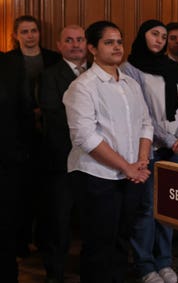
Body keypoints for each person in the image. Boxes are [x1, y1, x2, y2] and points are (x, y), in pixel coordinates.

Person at [63, 20, 152, 283]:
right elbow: (85, 137)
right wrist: (127, 167)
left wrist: (142, 162)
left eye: (119, 42)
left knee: (122, 241)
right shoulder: (83, 86)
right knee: (99, 245)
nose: (117, 47)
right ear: (92, 48)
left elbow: (145, 124)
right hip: (96, 176)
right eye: (108, 42)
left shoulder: (130, 84)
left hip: (132, 175)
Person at [121, 20, 178, 283]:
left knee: (169, 206)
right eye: (155, 34)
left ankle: (164, 261)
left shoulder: (171, 67)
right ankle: (145, 265)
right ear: (143, 36)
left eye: (164, 37)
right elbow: (142, 112)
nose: (160, 40)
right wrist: (169, 138)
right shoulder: (129, 68)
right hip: (149, 147)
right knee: (147, 207)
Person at [6, 15, 61, 257]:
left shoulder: (52, 58)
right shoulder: (7, 60)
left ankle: (43, 240)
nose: (30, 35)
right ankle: (22, 240)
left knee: (47, 192)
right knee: (21, 191)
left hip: (51, 132)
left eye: (34, 30)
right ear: (16, 35)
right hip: (20, 134)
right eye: (25, 31)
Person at [39, 24, 89, 283]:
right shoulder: (50, 76)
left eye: (80, 39)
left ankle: (89, 270)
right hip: (63, 159)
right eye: (69, 40)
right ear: (59, 46)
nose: (76, 44)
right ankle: (55, 273)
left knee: (91, 219)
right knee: (59, 221)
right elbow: (53, 115)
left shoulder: (98, 73)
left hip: (96, 160)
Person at [0, 51, 35, 282]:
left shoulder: (10, 64)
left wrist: (24, 150)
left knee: (5, 222)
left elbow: (24, 111)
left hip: (7, 159)